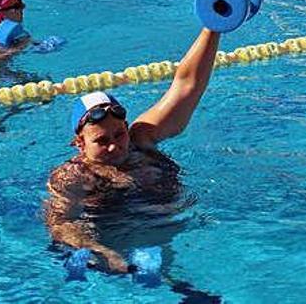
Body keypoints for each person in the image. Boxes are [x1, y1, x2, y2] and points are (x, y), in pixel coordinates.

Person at [44, 28, 221, 275]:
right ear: (80, 144)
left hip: (172, 229)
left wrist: (213, 27)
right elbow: (60, 225)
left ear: (127, 127)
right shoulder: (73, 176)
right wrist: (102, 251)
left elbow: (185, 86)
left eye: (119, 134)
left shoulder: (142, 138)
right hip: (118, 241)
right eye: (101, 141)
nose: (115, 146)